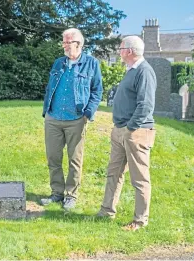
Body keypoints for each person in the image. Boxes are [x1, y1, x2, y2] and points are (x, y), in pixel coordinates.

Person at [97, 35, 157, 231]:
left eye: (121, 48)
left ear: (129, 51)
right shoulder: (131, 70)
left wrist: (131, 128)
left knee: (139, 178)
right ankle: (106, 211)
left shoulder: (144, 71)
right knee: (113, 173)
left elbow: (146, 105)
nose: (119, 51)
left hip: (136, 131)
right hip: (120, 130)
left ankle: (140, 221)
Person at [41, 28, 103, 210]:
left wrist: (88, 113)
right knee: (53, 158)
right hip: (53, 118)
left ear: (79, 44)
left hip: (76, 118)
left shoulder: (91, 63)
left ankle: (71, 195)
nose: (64, 46)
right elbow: (49, 88)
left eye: (68, 42)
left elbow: (97, 91)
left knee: (74, 160)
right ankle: (56, 193)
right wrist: (47, 109)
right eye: (64, 42)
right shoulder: (58, 63)